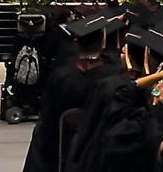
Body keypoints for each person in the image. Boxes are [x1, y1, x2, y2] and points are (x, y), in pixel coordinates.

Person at [21, 17, 123, 172]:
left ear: (76, 42)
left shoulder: (61, 76)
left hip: (60, 148)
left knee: (41, 131)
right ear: (103, 42)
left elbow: (48, 114)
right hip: (102, 150)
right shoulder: (114, 76)